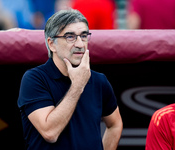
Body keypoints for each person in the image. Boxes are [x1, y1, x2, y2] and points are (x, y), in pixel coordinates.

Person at [17, 9, 123, 150]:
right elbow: (50, 132)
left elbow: (115, 124)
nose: (80, 44)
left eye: (84, 36)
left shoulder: (99, 80)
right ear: (51, 44)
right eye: (70, 37)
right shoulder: (34, 79)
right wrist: (78, 86)